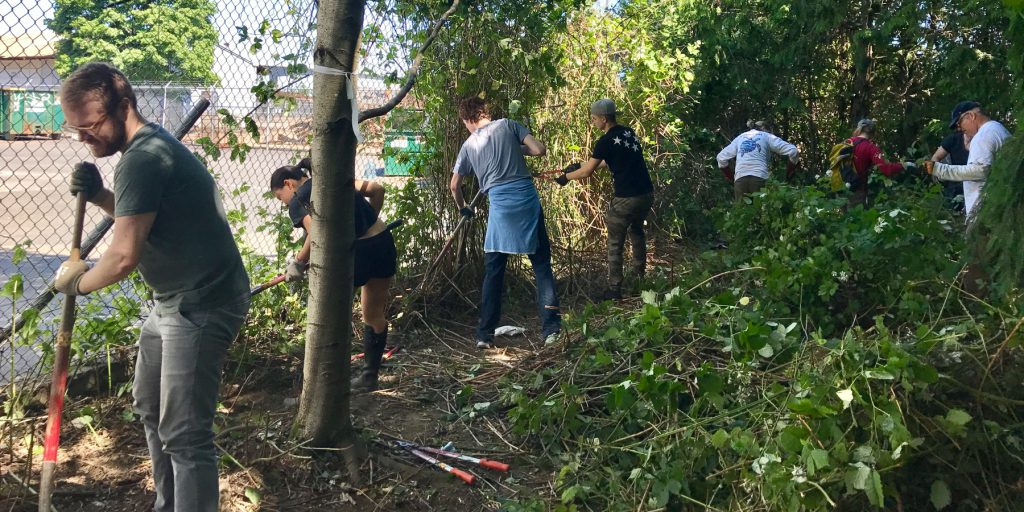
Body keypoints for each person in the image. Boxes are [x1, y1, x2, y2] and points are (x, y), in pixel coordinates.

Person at [54, 62, 250, 512]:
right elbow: (144, 217)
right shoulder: (148, 147)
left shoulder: (143, 157)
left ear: (124, 106)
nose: (85, 138)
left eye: (92, 126)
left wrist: (78, 283)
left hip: (202, 302)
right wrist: (103, 194)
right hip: (172, 301)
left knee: (185, 432)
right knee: (149, 405)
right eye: (77, 131)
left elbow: (124, 256)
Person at [269, 158, 397, 391]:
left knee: (329, 316)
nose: (284, 204)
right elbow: (377, 190)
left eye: (280, 198)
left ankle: (325, 386)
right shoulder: (333, 180)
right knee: (373, 314)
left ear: (289, 184)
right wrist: (366, 222)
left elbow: (315, 230)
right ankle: (370, 377)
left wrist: (298, 262)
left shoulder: (299, 199)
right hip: (382, 241)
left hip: (359, 253)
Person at [450, 96, 561, 349]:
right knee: (541, 265)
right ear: (485, 112)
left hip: (500, 209)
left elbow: (455, 185)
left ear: (468, 119)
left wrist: (463, 208)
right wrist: (516, 148)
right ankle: (551, 330)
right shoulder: (509, 126)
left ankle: (484, 335)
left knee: (494, 271)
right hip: (526, 203)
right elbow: (539, 149)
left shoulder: (468, 145)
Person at [554, 98, 655, 300]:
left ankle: (614, 289)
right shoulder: (628, 133)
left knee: (615, 242)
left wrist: (566, 177)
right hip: (646, 194)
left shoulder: (606, 140)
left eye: (594, 119)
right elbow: (609, 161)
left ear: (603, 118)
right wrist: (578, 165)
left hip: (626, 198)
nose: (593, 123)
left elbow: (587, 173)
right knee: (637, 232)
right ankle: (639, 278)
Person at [923, 101, 1011, 222]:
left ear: (971, 116)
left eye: (959, 123)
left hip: (985, 212)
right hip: (997, 205)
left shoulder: (983, 136)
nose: (959, 128)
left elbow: (980, 170)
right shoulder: (996, 128)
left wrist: (939, 170)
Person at [716, 120, 800, 201]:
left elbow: (720, 157)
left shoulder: (740, 137)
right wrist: (788, 174)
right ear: (765, 129)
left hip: (740, 180)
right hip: (759, 178)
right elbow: (793, 151)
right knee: (760, 213)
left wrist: (732, 178)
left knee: (742, 213)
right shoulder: (767, 136)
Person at [840, 118, 913, 207]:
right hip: (856, 189)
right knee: (856, 218)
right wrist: (904, 165)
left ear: (858, 129)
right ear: (873, 133)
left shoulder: (846, 143)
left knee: (843, 219)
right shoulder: (871, 148)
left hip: (840, 188)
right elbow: (886, 169)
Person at [930, 128, 969, 211]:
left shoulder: (981, 138)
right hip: (956, 183)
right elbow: (935, 158)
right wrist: (937, 174)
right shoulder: (953, 139)